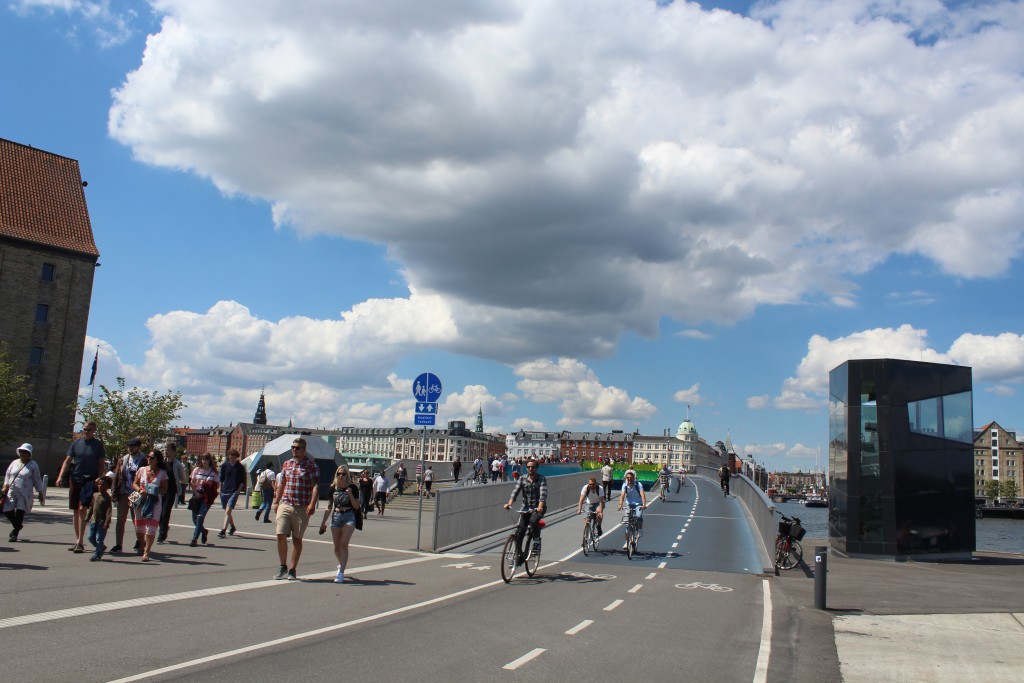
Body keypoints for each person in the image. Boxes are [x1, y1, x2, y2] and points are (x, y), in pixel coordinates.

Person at [271, 437, 320, 581]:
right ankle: (282, 565)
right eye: (293, 447)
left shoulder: (311, 466)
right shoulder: (286, 464)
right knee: (280, 534)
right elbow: (282, 484)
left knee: (297, 539)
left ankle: (292, 569)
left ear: (304, 450)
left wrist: (312, 504)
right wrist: (276, 501)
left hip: (301, 506)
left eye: (297, 448)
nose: (294, 450)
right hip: (285, 503)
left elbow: (315, 486)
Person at [56, 421, 106, 553]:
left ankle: (80, 542)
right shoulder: (76, 443)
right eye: (85, 429)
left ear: (94, 430)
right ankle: (77, 539)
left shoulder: (98, 445)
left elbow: (101, 464)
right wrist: (60, 476)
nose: (86, 431)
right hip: (76, 478)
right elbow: (67, 461)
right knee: (75, 510)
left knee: (83, 508)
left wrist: (99, 477)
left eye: (89, 430)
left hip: (89, 480)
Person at [319, 467, 359, 583]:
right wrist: (323, 523)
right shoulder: (333, 488)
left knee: (343, 544)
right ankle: (341, 563)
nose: (341, 476)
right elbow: (329, 507)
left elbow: (356, 506)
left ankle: (341, 572)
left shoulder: (353, 488)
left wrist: (350, 494)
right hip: (336, 516)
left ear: (348, 475)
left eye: (344, 474)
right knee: (336, 546)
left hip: (349, 516)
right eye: (339, 474)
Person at [2, 443, 46, 542]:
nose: (23, 453)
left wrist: (40, 492)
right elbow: (8, 475)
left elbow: (37, 479)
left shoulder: (33, 465)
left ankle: (15, 533)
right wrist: (5, 485)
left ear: (29, 454)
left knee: (20, 512)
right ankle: (18, 526)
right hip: (12, 490)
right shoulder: (14, 463)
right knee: (7, 510)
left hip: (25, 493)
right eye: (21, 451)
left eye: (25, 452)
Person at [502, 458, 548, 553]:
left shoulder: (541, 478)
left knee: (533, 520)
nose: (530, 469)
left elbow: (543, 494)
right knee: (520, 531)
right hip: (526, 508)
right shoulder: (522, 478)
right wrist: (509, 504)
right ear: (526, 468)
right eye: (528, 467)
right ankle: (518, 555)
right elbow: (515, 491)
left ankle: (536, 541)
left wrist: (540, 507)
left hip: (538, 508)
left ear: (536, 468)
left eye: (533, 467)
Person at [110, 437, 146, 554]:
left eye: (133, 446)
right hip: (123, 492)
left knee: (136, 519)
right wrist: (114, 492)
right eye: (129, 446)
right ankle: (118, 544)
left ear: (138, 447)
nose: (131, 448)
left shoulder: (143, 460)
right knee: (120, 519)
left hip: (135, 493)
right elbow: (117, 476)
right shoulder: (124, 459)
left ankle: (140, 541)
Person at [132, 449, 168, 562]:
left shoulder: (162, 473)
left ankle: (147, 551)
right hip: (141, 501)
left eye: (152, 457)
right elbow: (135, 484)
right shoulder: (142, 470)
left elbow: (164, 489)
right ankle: (142, 544)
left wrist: (155, 490)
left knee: (150, 528)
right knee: (139, 528)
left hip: (155, 502)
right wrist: (139, 490)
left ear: (157, 460)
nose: (149, 459)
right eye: (148, 457)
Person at [189, 453, 220, 547]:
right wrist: (196, 492)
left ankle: (194, 539)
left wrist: (207, 485)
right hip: (197, 495)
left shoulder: (214, 472)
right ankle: (203, 531)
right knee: (194, 518)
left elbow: (217, 485)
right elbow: (192, 482)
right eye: (203, 459)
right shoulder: (197, 470)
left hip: (206, 497)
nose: (204, 461)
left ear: (210, 460)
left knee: (200, 517)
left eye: (206, 459)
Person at [158, 442, 186, 543]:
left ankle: (162, 535)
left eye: (168, 450)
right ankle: (164, 528)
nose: (166, 451)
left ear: (173, 452)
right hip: (161, 490)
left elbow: (183, 477)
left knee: (165, 513)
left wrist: (177, 481)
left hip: (171, 491)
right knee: (159, 513)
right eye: (165, 449)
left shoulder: (177, 464)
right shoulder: (161, 463)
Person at [217, 449, 247, 538]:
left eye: (234, 456)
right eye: (230, 456)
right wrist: (220, 489)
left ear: (237, 457)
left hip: (234, 492)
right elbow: (221, 479)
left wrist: (238, 491)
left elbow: (242, 481)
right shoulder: (224, 466)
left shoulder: (240, 467)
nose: (232, 458)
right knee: (227, 512)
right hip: (225, 491)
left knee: (228, 510)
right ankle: (232, 527)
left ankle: (223, 530)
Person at [617, 470, 647, 549]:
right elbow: (622, 495)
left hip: (638, 504)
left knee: (638, 516)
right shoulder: (625, 485)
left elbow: (642, 494)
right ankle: (627, 542)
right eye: (628, 477)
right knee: (627, 524)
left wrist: (644, 505)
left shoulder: (638, 484)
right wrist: (620, 504)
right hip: (629, 504)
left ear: (633, 478)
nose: (629, 479)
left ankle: (639, 528)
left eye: (630, 477)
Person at [85, 474, 112, 560]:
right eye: (99, 484)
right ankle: (101, 547)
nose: (100, 486)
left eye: (103, 484)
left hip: (102, 522)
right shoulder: (95, 495)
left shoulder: (107, 498)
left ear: (107, 486)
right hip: (94, 521)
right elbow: (92, 507)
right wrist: (87, 517)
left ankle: (97, 554)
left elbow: (109, 511)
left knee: (99, 539)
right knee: (90, 537)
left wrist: (107, 521)